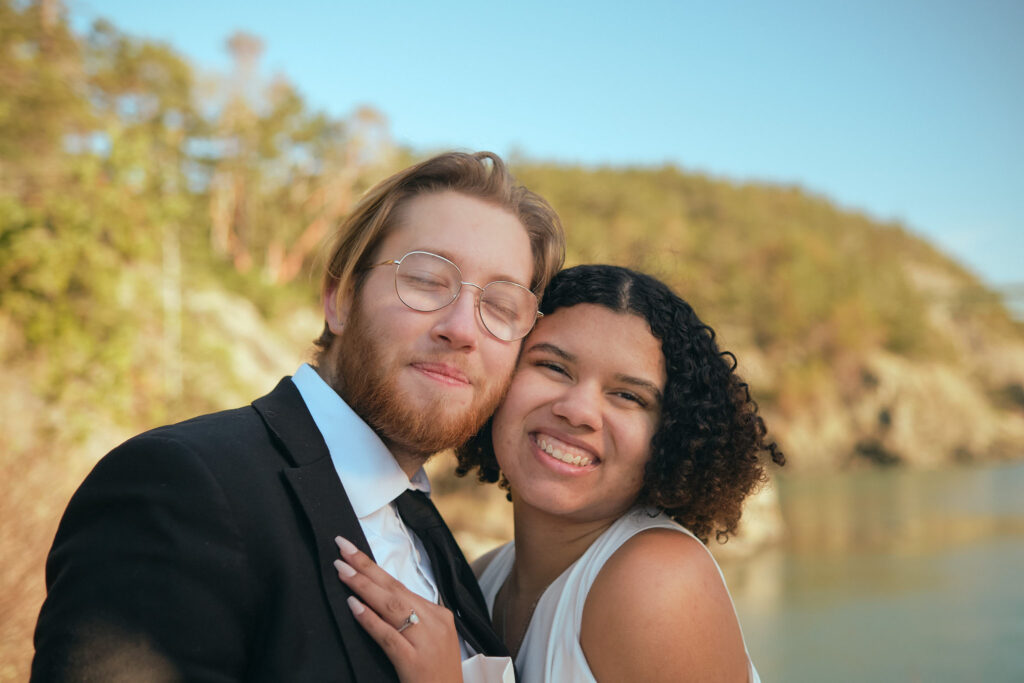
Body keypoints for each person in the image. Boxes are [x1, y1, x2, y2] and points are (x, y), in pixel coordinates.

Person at [31, 151, 565, 681]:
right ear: (340, 298)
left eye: (500, 306)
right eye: (426, 279)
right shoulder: (180, 486)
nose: (463, 329)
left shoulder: (431, 536)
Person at [334, 264, 784, 682]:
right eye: (552, 367)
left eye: (628, 396)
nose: (578, 411)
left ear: (671, 437)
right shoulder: (483, 578)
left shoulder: (658, 581)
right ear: (501, 378)